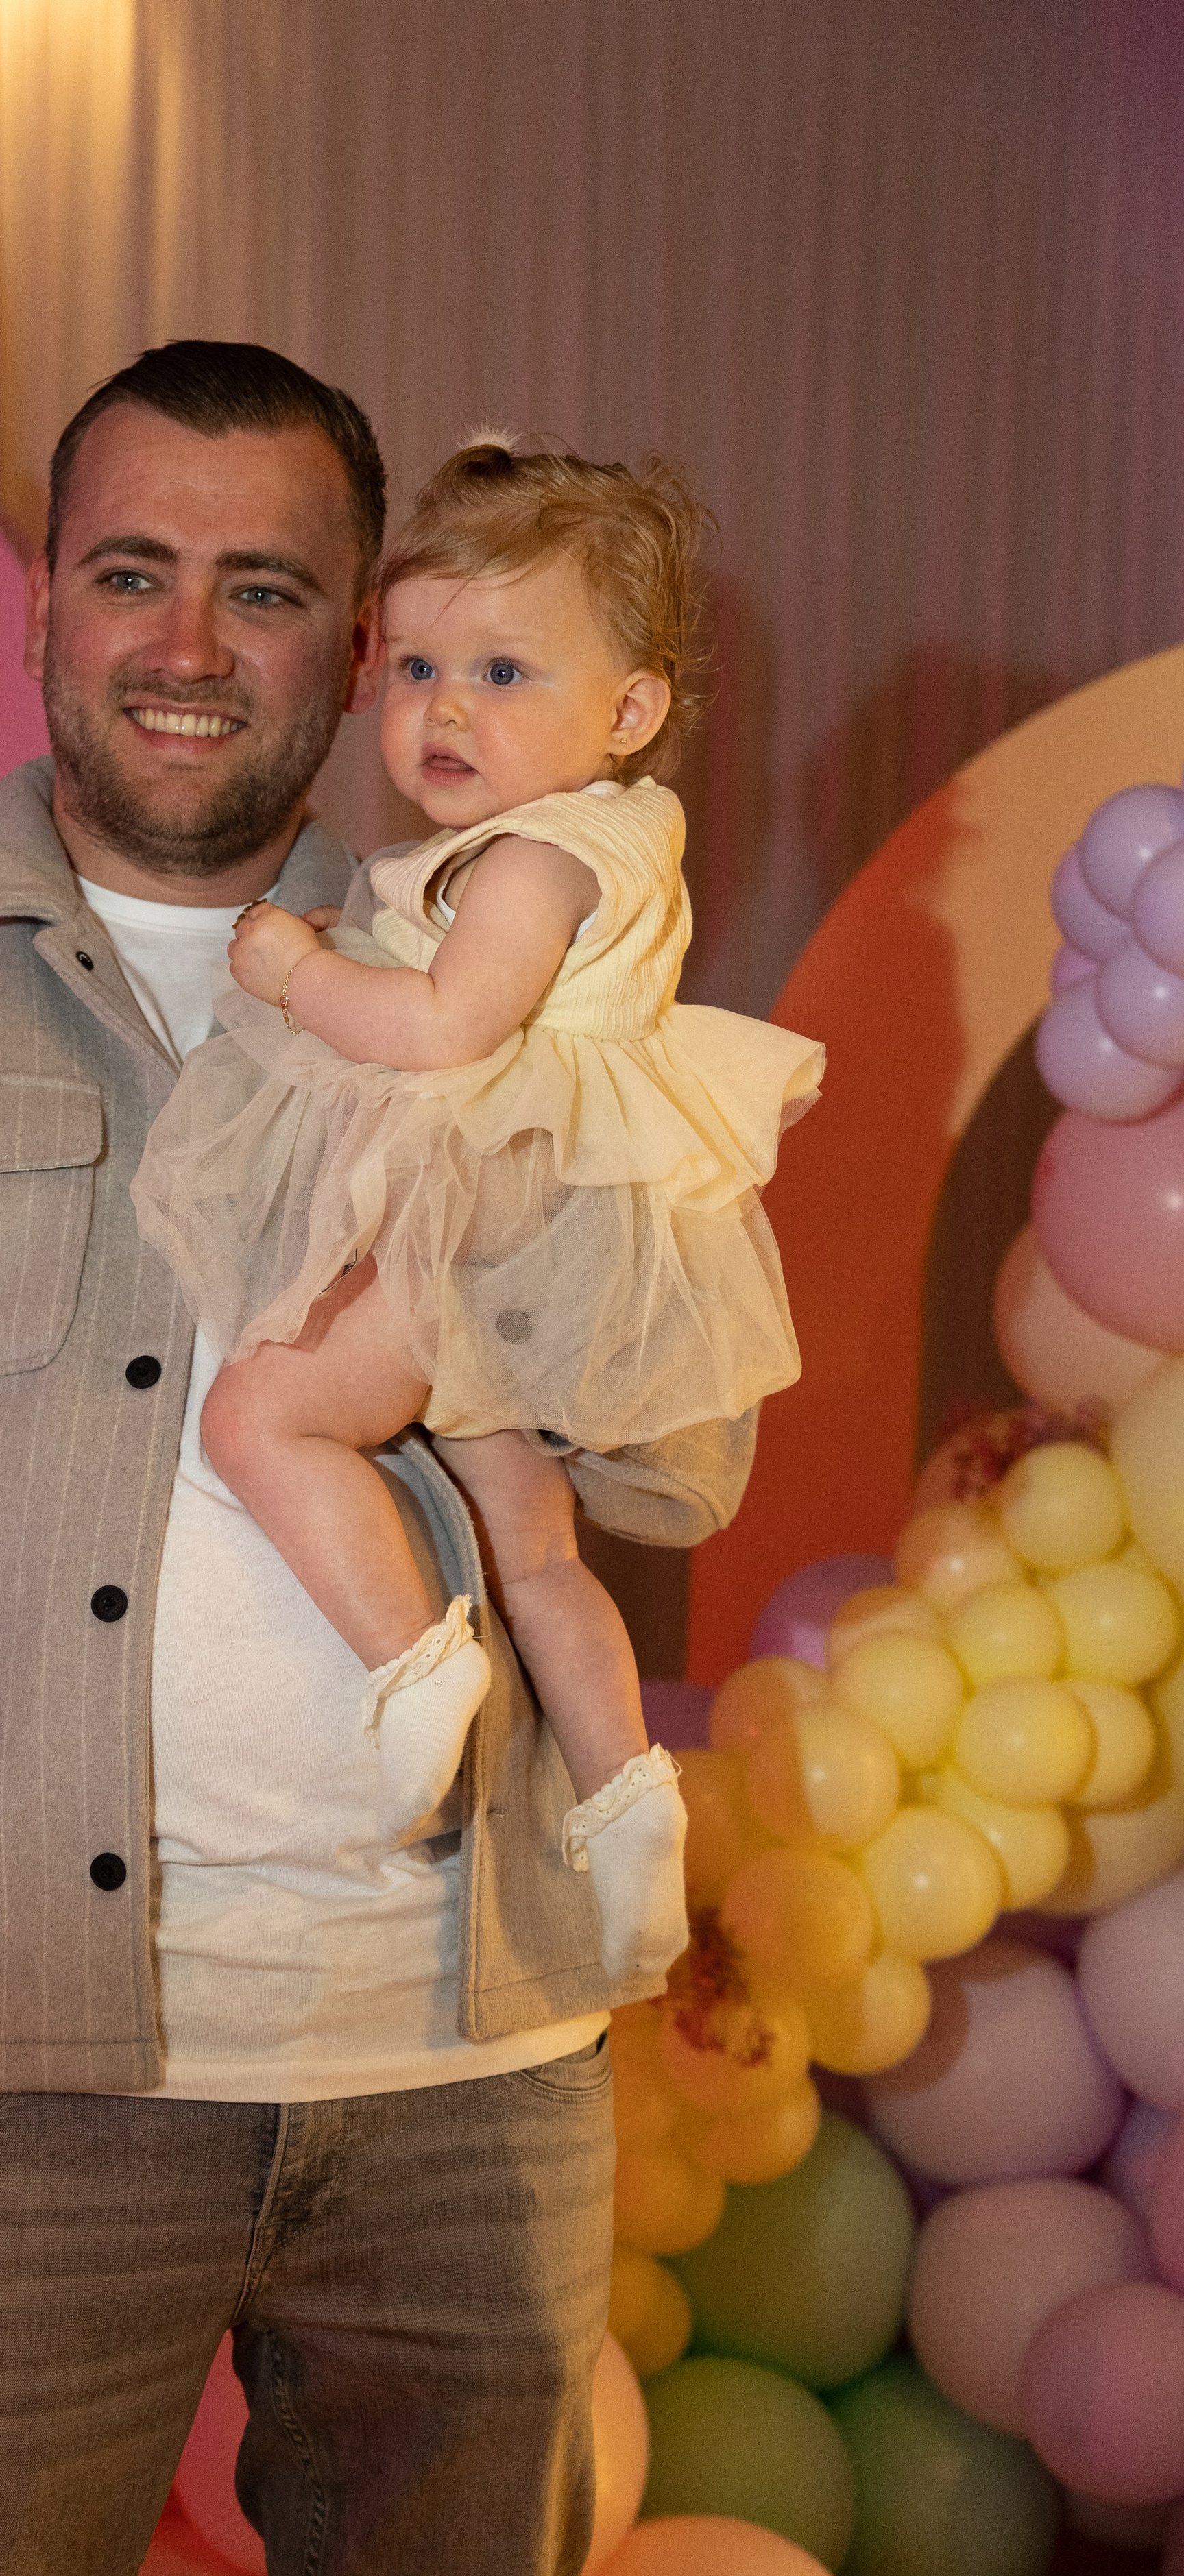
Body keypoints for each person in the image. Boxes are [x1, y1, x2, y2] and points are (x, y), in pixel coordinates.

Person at [0, 342, 761, 2576]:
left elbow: (676, 1475)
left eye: (269, 589)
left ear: (361, 640)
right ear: (41, 605)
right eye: (134, 574)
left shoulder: (516, 966)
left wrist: (540, 1149)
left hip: (472, 2079)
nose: (194, 646)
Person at [133, 437, 823, 1975]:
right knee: (532, 1545)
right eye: (421, 664)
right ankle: (625, 1796)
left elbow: (446, 1030)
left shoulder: (524, 857)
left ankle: (406, 1666)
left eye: (505, 672)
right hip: (527, 1245)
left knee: (261, 1420)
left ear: (628, 710)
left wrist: (293, 969)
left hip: (477, 1217)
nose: (444, 709)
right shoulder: (620, 835)